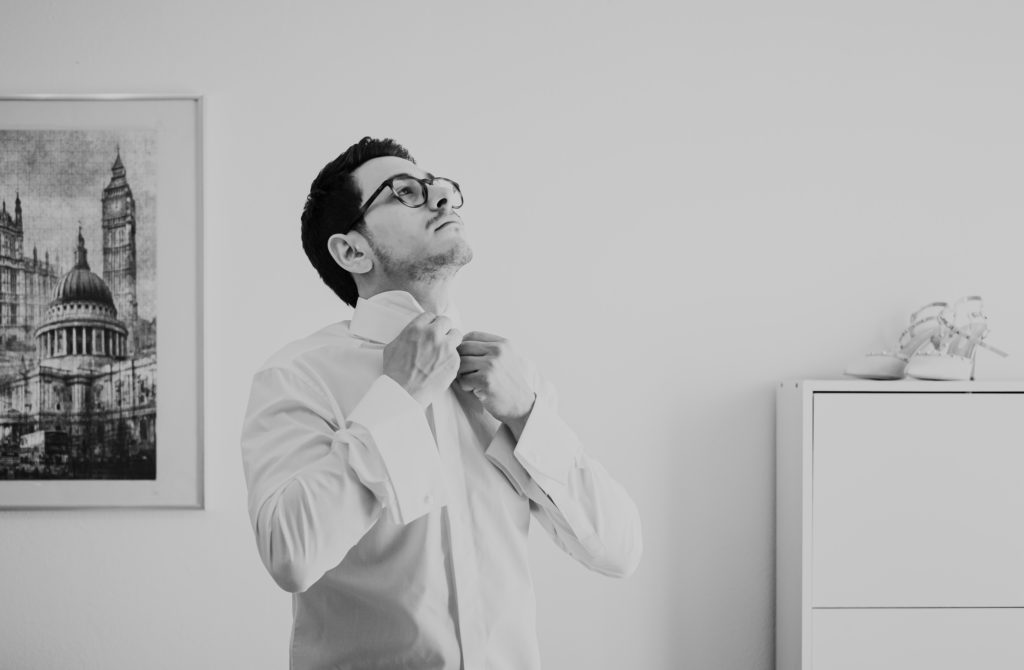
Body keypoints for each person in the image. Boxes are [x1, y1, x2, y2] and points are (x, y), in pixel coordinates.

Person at [240, 137, 642, 670]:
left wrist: (528, 415)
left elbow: (619, 551)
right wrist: (397, 399)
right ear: (352, 251)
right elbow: (290, 555)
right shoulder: (298, 376)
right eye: (405, 192)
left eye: (439, 188)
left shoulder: (512, 380)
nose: (441, 199)